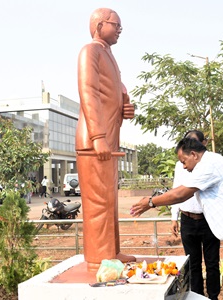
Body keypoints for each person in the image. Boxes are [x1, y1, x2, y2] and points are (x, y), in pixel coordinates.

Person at [131, 137, 223, 299]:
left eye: (184, 161)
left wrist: (150, 202)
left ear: (194, 155)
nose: (184, 167)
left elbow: (180, 194)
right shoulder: (213, 160)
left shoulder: (207, 165)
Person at [75, 7, 135, 270]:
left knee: (109, 202)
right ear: (99, 26)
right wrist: (98, 136)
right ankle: (99, 258)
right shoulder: (90, 52)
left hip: (109, 142)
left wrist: (125, 108)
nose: (120, 29)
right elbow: (88, 91)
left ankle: (111, 251)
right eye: (115, 24)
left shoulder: (108, 55)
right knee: (98, 203)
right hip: (94, 141)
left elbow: (111, 97)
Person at [170, 130, 220, 300]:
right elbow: (176, 190)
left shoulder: (209, 164)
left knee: (212, 263)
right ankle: (198, 297)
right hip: (187, 219)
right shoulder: (180, 165)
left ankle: (214, 296)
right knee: (193, 264)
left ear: (201, 146)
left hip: (208, 220)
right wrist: (173, 217)